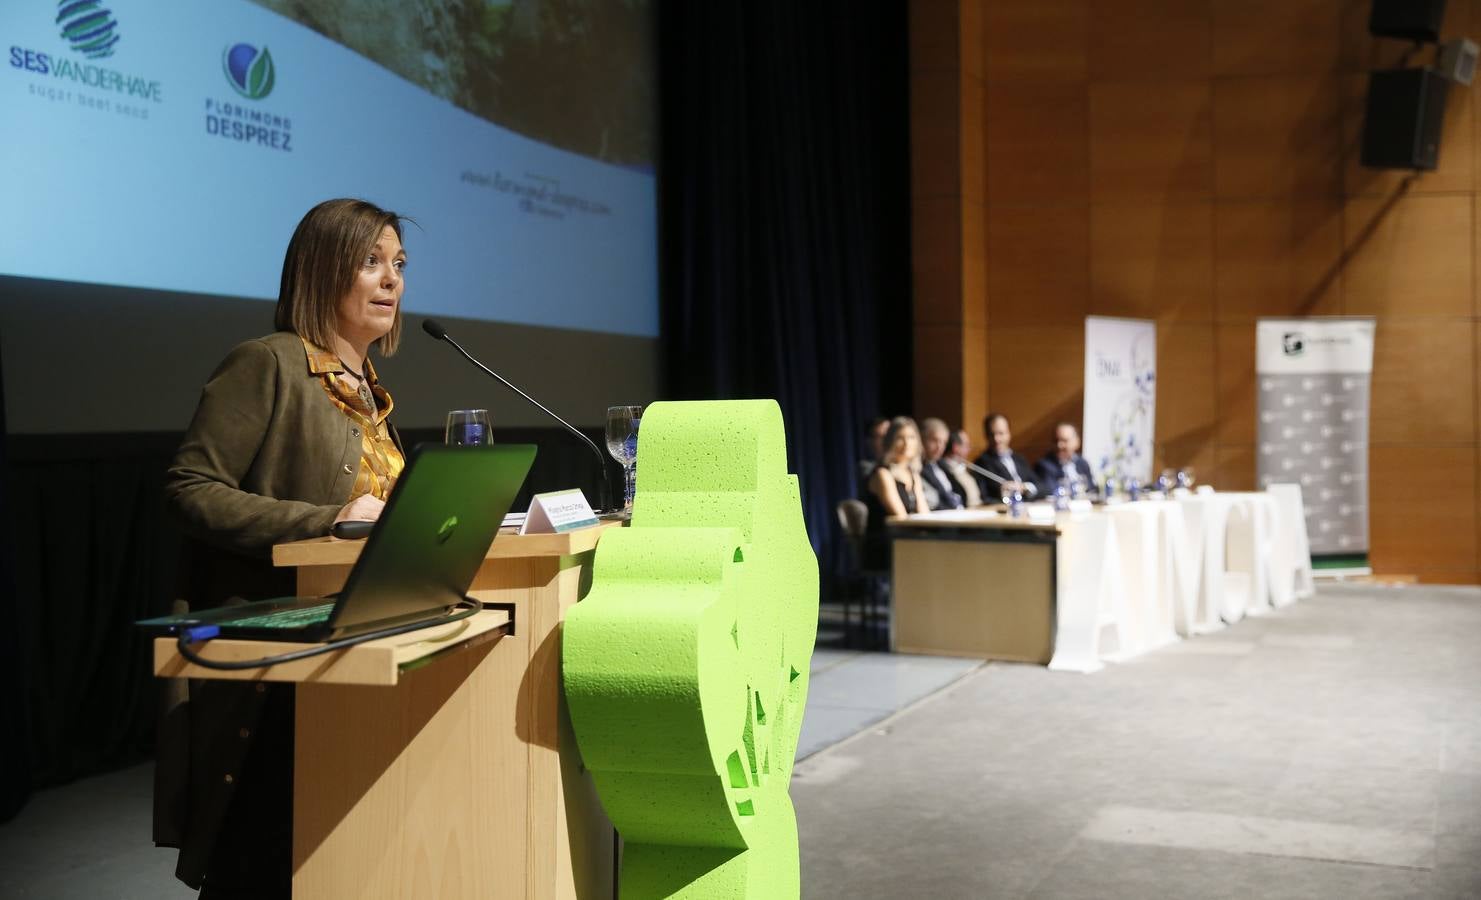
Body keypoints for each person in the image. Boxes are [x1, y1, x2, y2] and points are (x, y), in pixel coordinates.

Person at [156, 198, 410, 898]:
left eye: (398, 265)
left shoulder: (371, 394)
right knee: (260, 854)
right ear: (322, 269)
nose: (391, 280)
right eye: (370, 262)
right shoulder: (267, 364)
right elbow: (188, 487)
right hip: (280, 655)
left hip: (355, 641)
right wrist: (325, 520)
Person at [863, 416, 929, 567]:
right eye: (900, 438)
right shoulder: (882, 474)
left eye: (911, 437)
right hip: (886, 545)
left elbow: (924, 515)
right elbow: (899, 517)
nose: (906, 443)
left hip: (908, 540)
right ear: (890, 441)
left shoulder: (913, 474)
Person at [972, 412, 1038, 502]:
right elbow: (984, 498)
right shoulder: (981, 463)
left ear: (1009, 434)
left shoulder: (1020, 459)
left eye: (1001, 433)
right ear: (986, 436)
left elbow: (1040, 485)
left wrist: (1025, 487)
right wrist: (1002, 494)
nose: (996, 439)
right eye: (992, 434)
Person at [1035, 421, 1097, 498]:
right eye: (1056, 441)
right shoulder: (1044, 465)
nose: (1059, 445)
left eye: (1064, 440)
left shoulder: (1082, 463)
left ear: (1077, 442)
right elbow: (1051, 491)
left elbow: (1092, 489)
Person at [918, 417, 964, 510]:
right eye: (935, 440)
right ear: (922, 439)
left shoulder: (942, 465)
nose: (940, 447)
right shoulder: (918, 468)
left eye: (943, 442)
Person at [941, 428, 983, 507]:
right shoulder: (945, 469)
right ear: (955, 447)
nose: (969, 449)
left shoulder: (962, 467)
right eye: (967, 445)